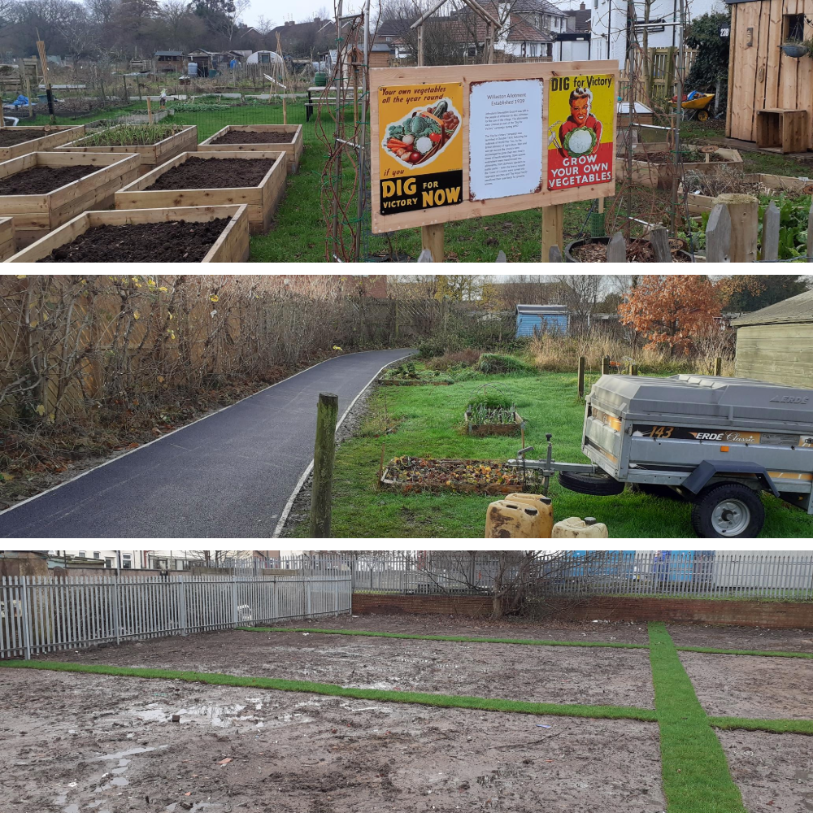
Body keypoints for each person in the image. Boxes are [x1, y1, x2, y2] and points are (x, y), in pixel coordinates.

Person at [558, 87, 602, 157]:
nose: (581, 112)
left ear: (590, 107)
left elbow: (594, 150)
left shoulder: (596, 125)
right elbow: (566, 153)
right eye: (576, 108)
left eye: (585, 107)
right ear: (571, 109)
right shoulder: (565, 127)